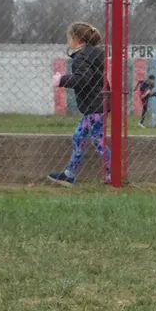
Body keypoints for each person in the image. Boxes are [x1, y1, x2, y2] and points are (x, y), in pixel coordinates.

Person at [48, 22, 111, 187]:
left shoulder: (81, 57)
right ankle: (69, 174)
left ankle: (113, 174)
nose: (69, 41)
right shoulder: (93, 54)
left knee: (98, 140)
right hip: (97, 103)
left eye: (69, 38)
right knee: (78, 137)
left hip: (94, 105)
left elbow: (84, 79)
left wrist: (62, 79)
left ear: (76, 38)